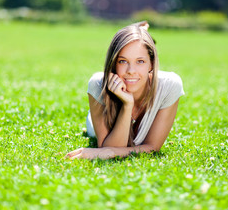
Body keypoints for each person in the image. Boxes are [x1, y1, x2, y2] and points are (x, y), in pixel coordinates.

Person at [65, 21, 184, 160]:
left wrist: (110, 153)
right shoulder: (98, 84)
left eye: (140, 61)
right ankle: (136, 35)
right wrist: (127, 105)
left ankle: (139, 34)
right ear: (113, 63)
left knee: (139, 45)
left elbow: (152, 147)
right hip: (95, 122)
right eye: (122, 61)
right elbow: (108, 145)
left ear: (151, 63)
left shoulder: (170, 85)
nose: (131, 71)